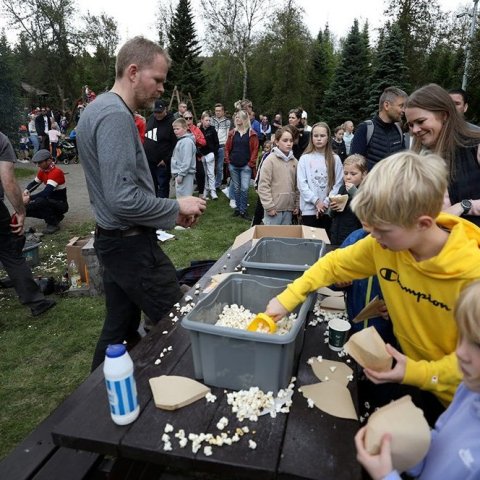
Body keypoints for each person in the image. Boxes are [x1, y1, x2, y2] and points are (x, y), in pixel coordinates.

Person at [266, 151, 480, 421]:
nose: (372, 239)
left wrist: (417, 372)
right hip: (408, 368)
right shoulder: (383, 244)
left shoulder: (472, 275)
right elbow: (333, 264)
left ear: (423, 223)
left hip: (461, 397)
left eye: (382, 231)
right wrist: (287, 299)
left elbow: (473, 361)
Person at [76, 36, 207, 371]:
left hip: (114, 241)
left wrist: (169, 217)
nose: (162, 89)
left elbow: (116, 193)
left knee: (118, 328)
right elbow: (122, 199)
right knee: (180, 320)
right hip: (130, 247)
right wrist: (176, 207)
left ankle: (92, 406)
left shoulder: (99, 108)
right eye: (158, 79)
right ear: (133, 72)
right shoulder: (115, 116)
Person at [355, 279, 480, 480]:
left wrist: (386, 477)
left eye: (477, 345)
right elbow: (440, 442)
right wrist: (400, 445)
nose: (460, 352)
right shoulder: (470, 389)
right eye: (461, 336)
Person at [406, 83, 480, 227]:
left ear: (444, 115)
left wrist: (464, 206)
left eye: (420, 121)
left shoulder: (474, 146)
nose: (415, 130)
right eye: (410, 124)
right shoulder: (418, 157)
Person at [0, 132, 56, 316]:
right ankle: (37, 302)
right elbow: (8, 180)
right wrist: (21, 210)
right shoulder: (1, 140)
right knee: (10, 254)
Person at [297, 122, 343, 234]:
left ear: (328, 138)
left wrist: (326, 202)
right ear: (311, 138)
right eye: (316, 136)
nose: (319, 139)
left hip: (327, 210)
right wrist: (316, 201)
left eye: (322, 136)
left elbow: (338, 183)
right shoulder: (304, 159)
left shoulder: (335, 159)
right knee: (310, 242)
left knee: (325, 242)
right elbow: (302, 185)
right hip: (309, 209)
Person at [350, 86, 407, 171]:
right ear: (386, 105)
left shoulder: (398, 131)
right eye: (401, 106)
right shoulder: (365, 129)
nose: (404, 110)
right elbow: (354, 167)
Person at [258, 126, 299, 225]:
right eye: (285, 140)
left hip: (289, 209)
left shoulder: (295, 161)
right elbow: (263, 185)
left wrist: (297, 204)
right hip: (274, 209)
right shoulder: (270, 160)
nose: (289, 143)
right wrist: (269, 206)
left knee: (285, 238)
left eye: (291, 140)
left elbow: (298, 186)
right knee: (272, 237)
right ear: (277, 142)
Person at [23, 149, 68, 234]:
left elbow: (45, 193)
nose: (38, 165)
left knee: (39, 201)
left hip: (60, 204)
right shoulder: (43, 171)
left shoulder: (56, 172)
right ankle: (56, 216)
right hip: (50, 201)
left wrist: (29, 198)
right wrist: (26, 190)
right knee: (24, 209)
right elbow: (34, 183)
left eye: (40, 163)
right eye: (37, 163)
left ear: (49, 161)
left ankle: (53, 224)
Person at [225, 110, 259, 220]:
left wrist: (251, 163)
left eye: (239, 117)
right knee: (236, 188)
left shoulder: (251, 133)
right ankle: (238, 209)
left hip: (246, 166)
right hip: (233, 165)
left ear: (244, 119)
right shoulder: (232, 133)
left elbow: (255, 149)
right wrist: (228, 161)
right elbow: (227, 148)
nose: (237, 119)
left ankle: (243, 211)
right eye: (236, 117)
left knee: (244, 188)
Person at [329, 153, 367, 245]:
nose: (348, 177)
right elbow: (332, 215)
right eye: (345, 173)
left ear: (364, 174)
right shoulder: (342, 188)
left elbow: (367, 211)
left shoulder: (366, 190)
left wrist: (354, 192)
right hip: (337, 235)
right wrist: (333, 208)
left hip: (355, 238)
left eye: (353, 174)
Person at [144, 99, 177, 198]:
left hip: (162, 163)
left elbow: (175, 144)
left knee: (163, 186)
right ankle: (154, 209)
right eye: (155, 112)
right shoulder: (151, 118)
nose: (157, 114)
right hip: (150, 161)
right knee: (151, 186)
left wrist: (166, 160)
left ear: (165, 110)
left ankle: (164, 210)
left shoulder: (172, 122)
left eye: (159, 112)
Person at [183, 110, 207, 199]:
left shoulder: (196, 129)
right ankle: (186, 195)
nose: (188, 120)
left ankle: (201, 193)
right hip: (184, 156)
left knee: (201, 174)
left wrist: (195, 138)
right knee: (185, 176)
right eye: (186, 118)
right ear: (183, 119)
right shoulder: (181, 128)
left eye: (190, 118)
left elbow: (204, 142)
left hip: (195, 155)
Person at [171, 117, 196, 198]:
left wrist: (181, 175)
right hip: (180, 174)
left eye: (177, 129)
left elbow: (186, 160)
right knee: (180, 198)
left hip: (185, 175)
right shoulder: (181, 140)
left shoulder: (187, 142)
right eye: (174, 129)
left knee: (185, 198)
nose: (175, 131)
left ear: (185, 128)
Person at [199, 111, 219, 200]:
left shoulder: (212, 129)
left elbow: (216, 143)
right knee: (204, 173)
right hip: (202, 154)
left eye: (209, 120)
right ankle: (205, 190)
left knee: (211, 173)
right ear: (202, 120)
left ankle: (213, 191)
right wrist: (200, 154)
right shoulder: (199, 129)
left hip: (210, 154)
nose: (208, 122)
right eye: (206, 120)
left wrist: (213, 153)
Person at [211, 103, 231, 189]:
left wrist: (226, 146)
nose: (217, 112)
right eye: (216, 111)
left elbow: (227, 135)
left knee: (219, 167)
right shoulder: (211, 120)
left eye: (219, 111)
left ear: (223, 111)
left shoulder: (227, 121)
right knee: (211, 166)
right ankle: (210, 184)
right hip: (212, 146)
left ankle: (217, 184)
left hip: (222, 145)